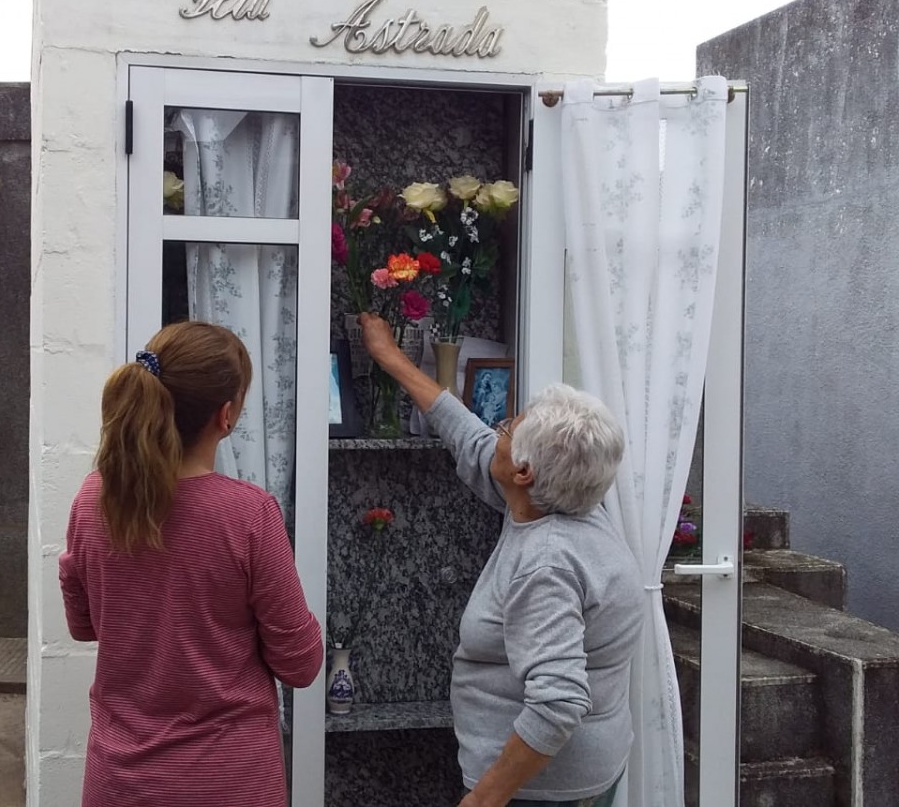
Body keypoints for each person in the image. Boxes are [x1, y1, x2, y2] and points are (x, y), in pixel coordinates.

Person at [360, 313, 642, 807]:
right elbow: (470, 438)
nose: (498, 430)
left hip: (538, 793)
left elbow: (558, 702)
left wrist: (485, 798)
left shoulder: (547, 563)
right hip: (581, 774)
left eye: (508, 427)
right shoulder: (568, 504)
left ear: (525, 471)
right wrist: (391, 359)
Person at [59, 321, 325, 807]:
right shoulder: (248, 513)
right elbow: (301, 664)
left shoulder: (91, 499)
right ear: (226, 416)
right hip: (228, 783)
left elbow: (84, 625)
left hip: (120, 783)